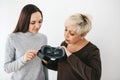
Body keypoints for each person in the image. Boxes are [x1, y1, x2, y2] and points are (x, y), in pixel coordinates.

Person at [42, 13, 101, 80]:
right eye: (66, 29)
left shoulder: (92, 51)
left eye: (71, 33)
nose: (66, 35)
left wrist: (70, 56)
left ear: (83, 35)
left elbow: (94, 77)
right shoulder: (64, 44)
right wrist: (44, 58)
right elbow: (58, 66)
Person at [4, 4, 48, 80]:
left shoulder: (43, 38)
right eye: (33, 23)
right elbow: (7, 68)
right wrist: (23, 59)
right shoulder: (12, 38)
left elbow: (44, 66)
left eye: (40, 21)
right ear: (25, 21)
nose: (38, 26)